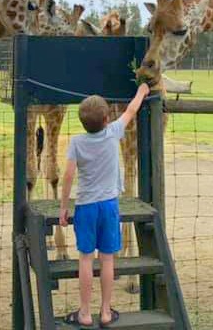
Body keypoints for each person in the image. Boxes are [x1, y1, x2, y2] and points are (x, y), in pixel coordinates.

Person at [58, 82, 151, 328]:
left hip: (86, 207)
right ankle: (106, 311)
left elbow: (68, 176)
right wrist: (141, 92)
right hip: (109, 207)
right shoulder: (114, 132)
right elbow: (131, 111)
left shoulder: (76, 142)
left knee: (86, 259)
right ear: (107, 118)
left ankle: (86, 313)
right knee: (108, 260)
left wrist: (64, 207)